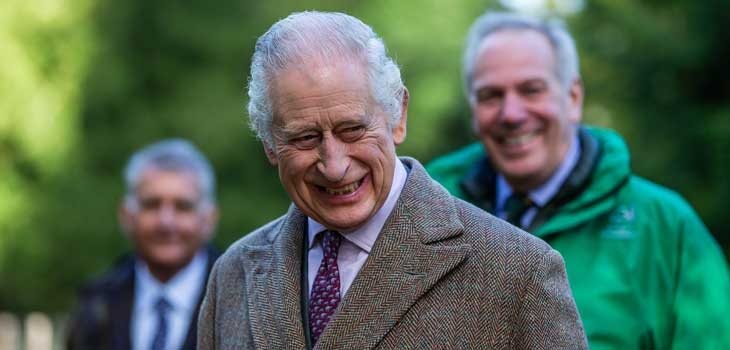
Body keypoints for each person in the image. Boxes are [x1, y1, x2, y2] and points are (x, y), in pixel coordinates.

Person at [197, 11, 587, 350]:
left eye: (352, 129)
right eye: (304, 138)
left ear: (397, 115)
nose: (334, 165)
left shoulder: (517, 272)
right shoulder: (233, 275)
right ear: (269, 143)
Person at [426, 11, 730, 349]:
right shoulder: (429, 218)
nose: (511, 114)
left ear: (573, 98)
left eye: (532, 90)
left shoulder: (666, 228)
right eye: (491, 96)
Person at [66, 139, 220, 350]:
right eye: (151, 205)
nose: (166, 222)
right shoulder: (95, 306)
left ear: (208, 219)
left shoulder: (240, 301)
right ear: (127, 215)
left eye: (183, 207)